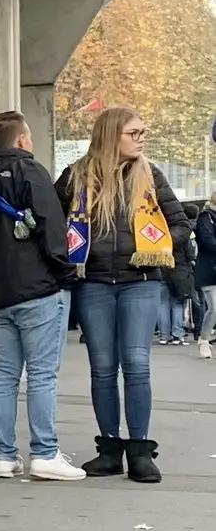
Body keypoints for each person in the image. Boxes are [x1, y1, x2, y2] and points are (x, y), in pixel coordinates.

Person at [56, 107, 190, 483]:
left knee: (135, 365)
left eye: (143, 131)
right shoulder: (76, 176)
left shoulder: (150, 174)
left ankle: (141, 451)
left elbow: (179, 224)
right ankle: (110, 450)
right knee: (101, 369)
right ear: (112, 135)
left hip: (141, 281)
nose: (141, 138)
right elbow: (52, 223)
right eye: (134, 132)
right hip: (93, 282)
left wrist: (158, 247)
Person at [0, 110, 82, 480]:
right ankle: (45, 454)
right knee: (43, 374)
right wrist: (64, 271)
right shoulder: (30, 171)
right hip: (38, 288)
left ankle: (4, 456)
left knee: (4, 375)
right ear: (21, 139)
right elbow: (51, 226)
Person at [192, 196, 216, 358]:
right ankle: (204, 340)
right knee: (214, 307)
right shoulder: (205, 217)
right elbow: (208, 241)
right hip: (208, 269)